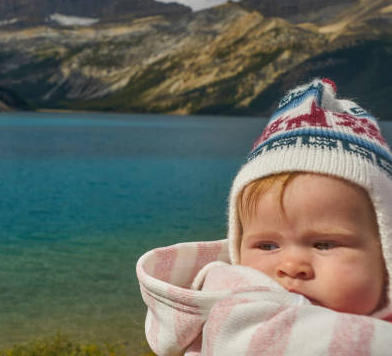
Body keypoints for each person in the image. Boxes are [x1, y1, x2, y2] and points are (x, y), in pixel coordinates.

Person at [136, 78, 392, 355]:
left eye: (324, 244)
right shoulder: (238, 317)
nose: (292, 266)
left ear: (385, 251)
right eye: (267, 246)